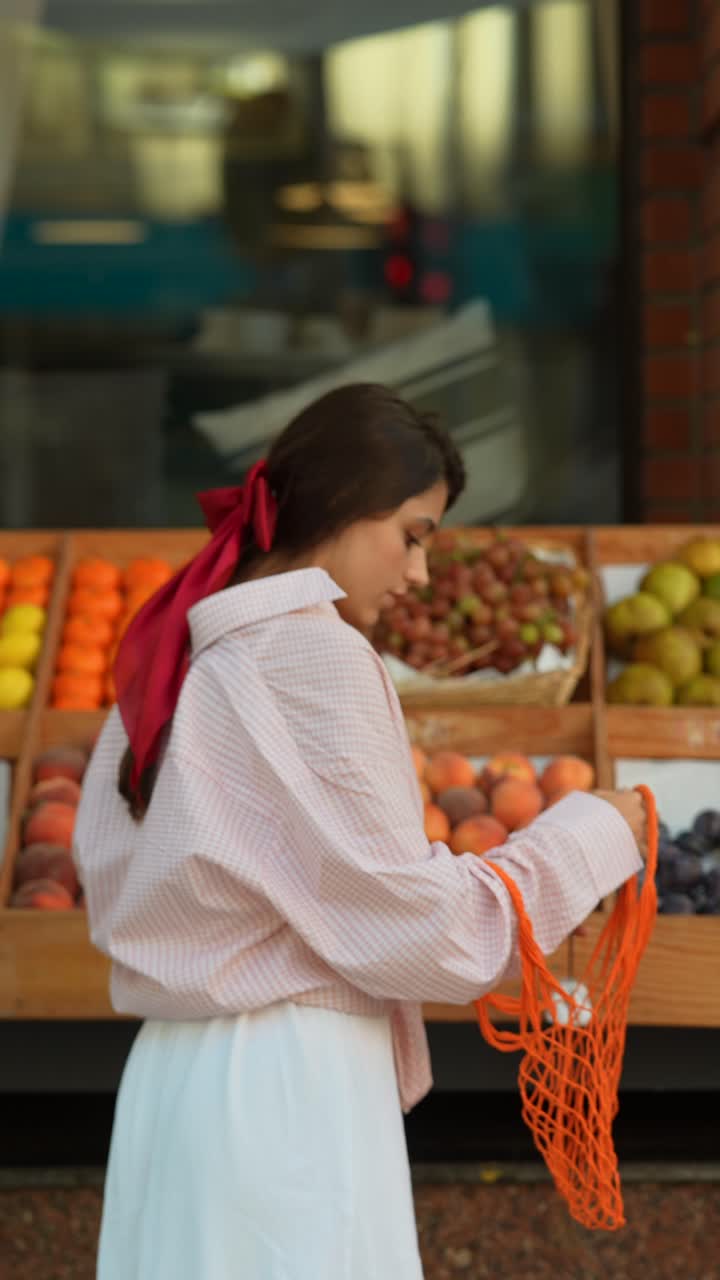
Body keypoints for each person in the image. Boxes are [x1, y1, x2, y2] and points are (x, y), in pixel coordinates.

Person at [73, 383, 645, 1280]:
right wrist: (597, 831)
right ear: (344, 506)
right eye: (413, 535)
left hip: (174, 1085)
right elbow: (426, 928)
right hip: (284, 1090)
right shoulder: (312, 652)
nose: (419, 574)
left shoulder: (177, 655)